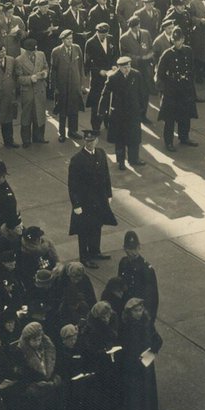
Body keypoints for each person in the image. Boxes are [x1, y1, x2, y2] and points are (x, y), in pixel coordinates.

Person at [68, 130, 116, 268]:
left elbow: (106, 175)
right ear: (84, 141)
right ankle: (84, 257)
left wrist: (108, 193)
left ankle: (95, 251)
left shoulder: (101, 153)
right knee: (84, 230)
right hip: (85, 202)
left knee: (97, 226)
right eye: (87, 141)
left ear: (97, 141)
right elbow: (73, 184)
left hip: (99, 199)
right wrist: (76, 204)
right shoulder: (77, 159)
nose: (90, 143)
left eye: (92, 140)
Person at [155, 27, 197, 150]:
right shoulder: (167, 54)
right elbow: (160, 74)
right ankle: (169, 142)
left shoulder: (188, 51)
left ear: (183, 39)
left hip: (185, 88)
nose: (177, 43)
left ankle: (184, 137)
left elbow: (192, 68)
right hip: (172, 90)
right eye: (174, 40)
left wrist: (190, 83)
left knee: (185, 115)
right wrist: (163, 90)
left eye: (179, 40)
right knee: (170, 118)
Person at [98, 56, 143, 169]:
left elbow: (142, 92)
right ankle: (121, 161)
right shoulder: (113, 78)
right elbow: (105, 95)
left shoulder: (136, 75)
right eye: (124, 68)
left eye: (128, 66)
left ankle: (134, 159)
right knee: (120, 139)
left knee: (134, 138)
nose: (127, 69)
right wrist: (101, 111)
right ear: (119, 68)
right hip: (119, 113)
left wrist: (141, 108)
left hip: (133, 112)